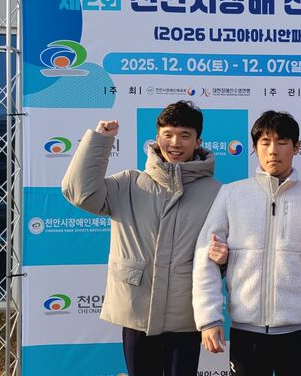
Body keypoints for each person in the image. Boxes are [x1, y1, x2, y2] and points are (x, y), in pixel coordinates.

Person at [61, 101, 222, 376]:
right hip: (136, 313)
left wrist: (224, 258)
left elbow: (228, 249)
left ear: (198, 141)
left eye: (185, 135)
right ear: (157, 139)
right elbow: (79, 193)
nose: (175, 143)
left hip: (185, 315)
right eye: (168, 134)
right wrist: (100, 141)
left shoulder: (217, 192)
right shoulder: (129, 183)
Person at [192, 110, 301, 376]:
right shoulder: (232, 194)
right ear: (255, 147)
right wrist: (209, 318)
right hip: (247, 333)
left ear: (296, 147)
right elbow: (205, 259)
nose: (273, 150)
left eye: (282, 142)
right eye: (265, 142)